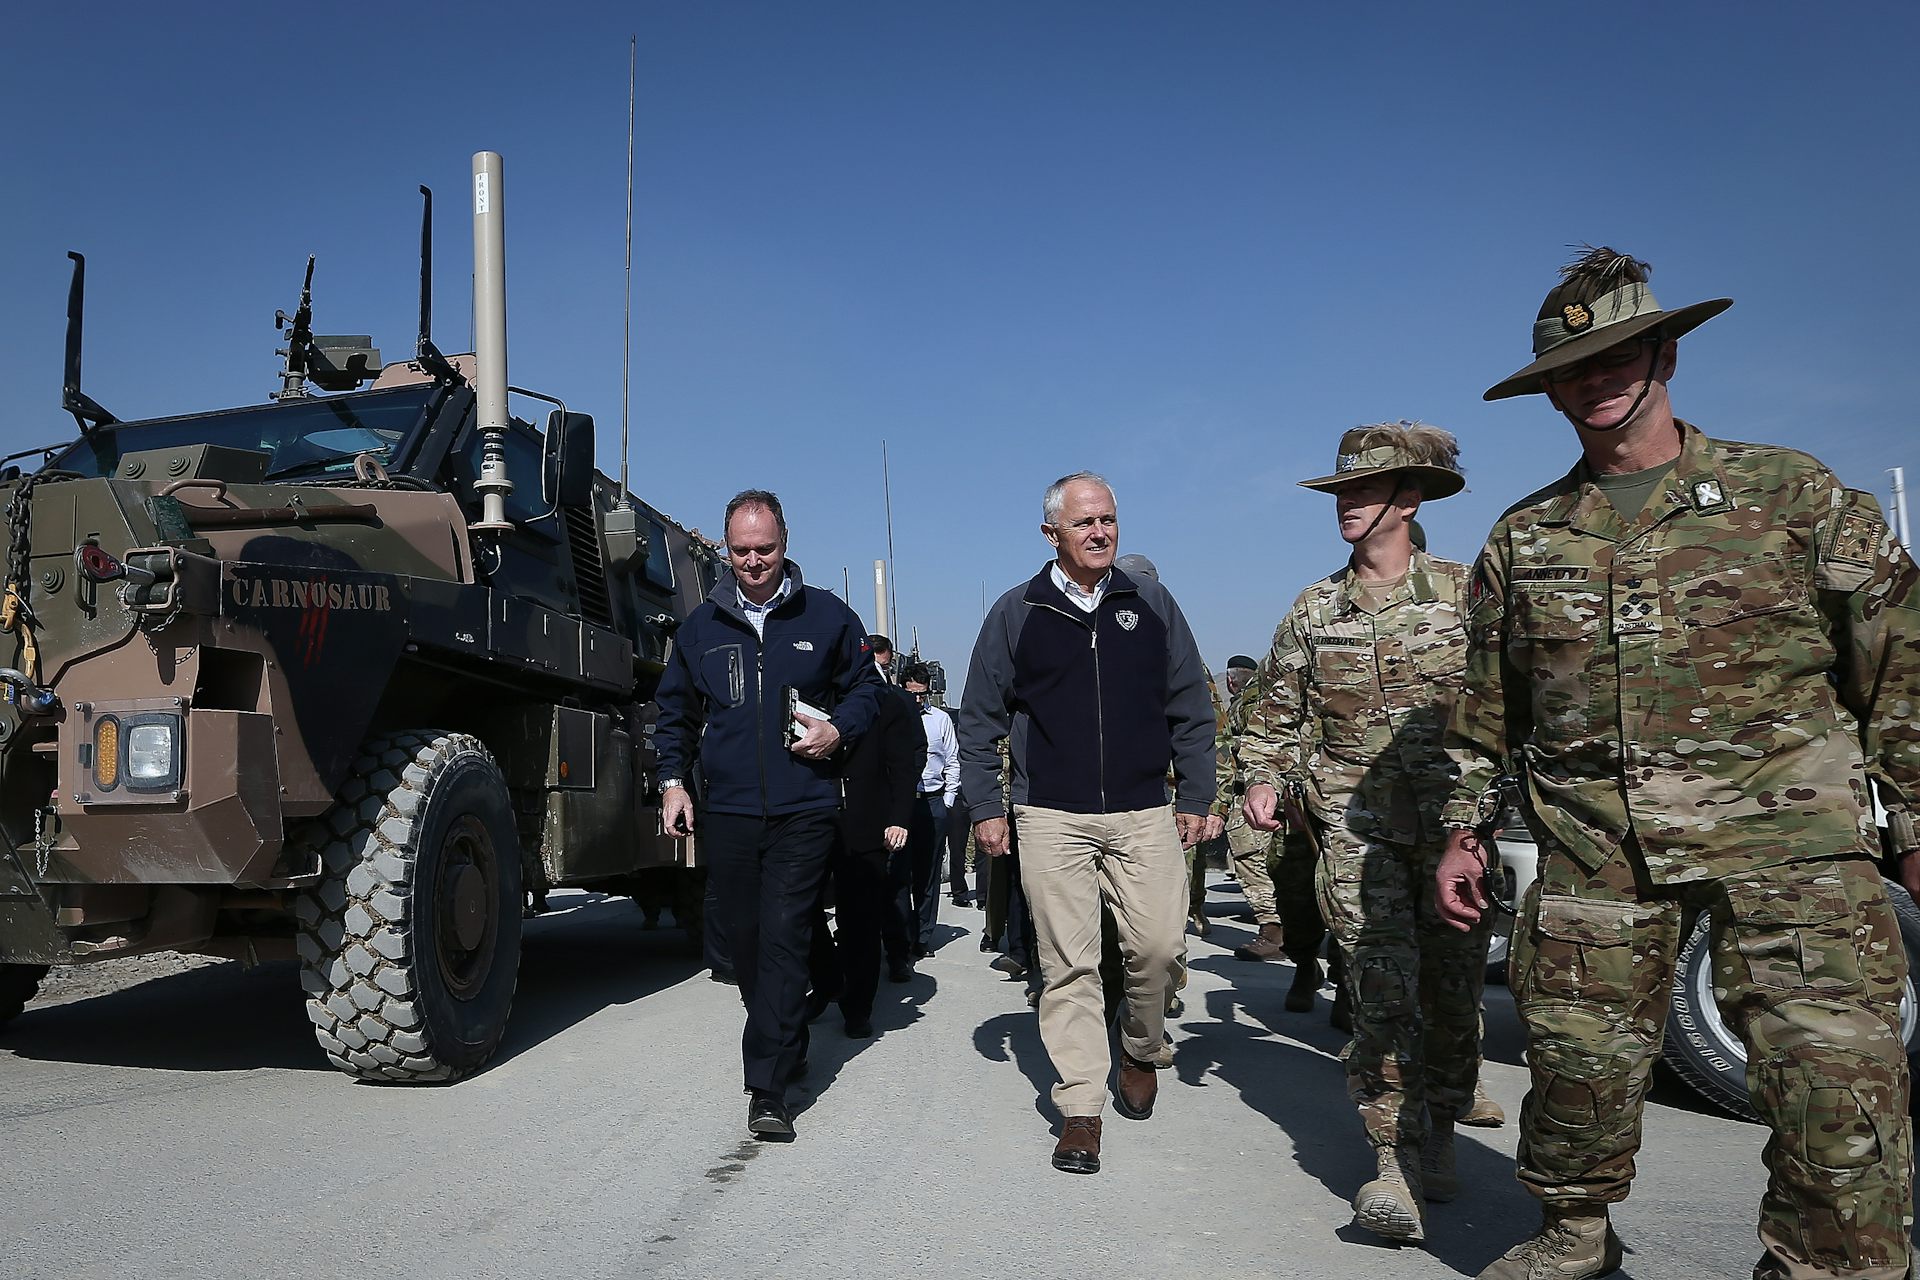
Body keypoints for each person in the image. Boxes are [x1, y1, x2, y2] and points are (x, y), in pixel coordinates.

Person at [1436, 246, 1919, 1280]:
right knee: (1573, 1072)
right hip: (1594, 853)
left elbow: (1900, 661)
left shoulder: (1789, 493)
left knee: (1837, 1087)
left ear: (1665, 353)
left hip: (1789, 852)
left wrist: (1916, 819)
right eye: (1575, 367)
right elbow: (1484, 707)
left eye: (1619, 355)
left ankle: (1828, 1264)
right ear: (1550, 388)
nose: (1598, 378)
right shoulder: (1525, 536)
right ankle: (1573, 1235)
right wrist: (1462, 828)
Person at [1237, 422, 1488, 1243]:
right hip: (1358, 833)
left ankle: (1440, 1127)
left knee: (1451, 994)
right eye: (1341, 491)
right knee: (1381, 992)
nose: (1346, 505)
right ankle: (1393, 1161)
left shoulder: (1468, 591)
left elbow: (1510, 708)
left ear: (1408, 500)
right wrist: (1265, 776)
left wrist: (1487, 814)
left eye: (1363, 491)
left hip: (1458, 828)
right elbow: (1277, 709)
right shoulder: (1315, 607)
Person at [958, 472, 1215, 1176]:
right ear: (1052, 535)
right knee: (1068, 963)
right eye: (1084, 523)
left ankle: (1139, 1045)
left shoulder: (1150, 602)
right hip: (1051, 814)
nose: (1100, 532)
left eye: (1108, 520)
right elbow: (979, 716)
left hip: (1142, 809)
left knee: (1159, 948)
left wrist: (1197, 792)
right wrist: (986, 806)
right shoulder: (1018, 612)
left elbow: (1190, 702)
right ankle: (1080, 1109)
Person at [654, 489, 886, 1143]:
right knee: (746, 948)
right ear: (725, 551)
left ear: (786, 544)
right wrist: (673, 783)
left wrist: (838, 730)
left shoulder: (830, 618)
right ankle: (787, 1035)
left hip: (805, 808)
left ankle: (767, 1089)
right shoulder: (699, 629)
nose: (754, 562)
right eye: (741, 551)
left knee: (784, 939)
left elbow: (868, 691)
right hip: (727, 813)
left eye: (766, 549)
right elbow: (674, 715)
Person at [830, 655, 924, 1036]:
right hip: (808, 819)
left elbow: (905, 765)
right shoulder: (806, 691)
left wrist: (899, 818)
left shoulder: (891, 702)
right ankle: (824, 980)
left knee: (859, 921)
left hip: (866, 827)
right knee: (796, 915)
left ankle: (857, 1006)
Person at [1213, 654, 1287, 962]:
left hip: (1256, 790)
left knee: (1251, 859)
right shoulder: (1259, 698)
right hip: (1278, 789)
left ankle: (1274, 931)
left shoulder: (1251, 703)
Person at [901, 662, 961, 960]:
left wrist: (947, 801)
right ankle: (900, 935)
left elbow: (952, 760)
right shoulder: (894, 717)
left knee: (928, 874)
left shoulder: (940, 720)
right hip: (902, 803)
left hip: (933, 800)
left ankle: (923, 936)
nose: (916, 700)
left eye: (921, 695)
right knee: (899, 873)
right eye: (911, 693)